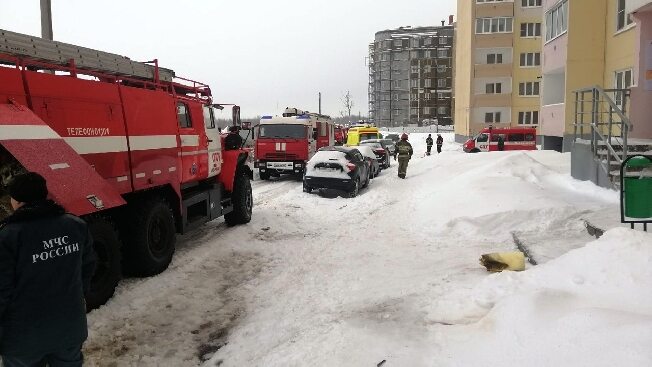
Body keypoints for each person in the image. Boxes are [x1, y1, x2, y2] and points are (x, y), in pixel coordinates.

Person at [0, 172, 96, 367]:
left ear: (17, 201)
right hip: (69, 329)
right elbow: (87, 268)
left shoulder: (8, 237)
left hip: (24, 340)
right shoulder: (76, 225)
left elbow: (2, 290)